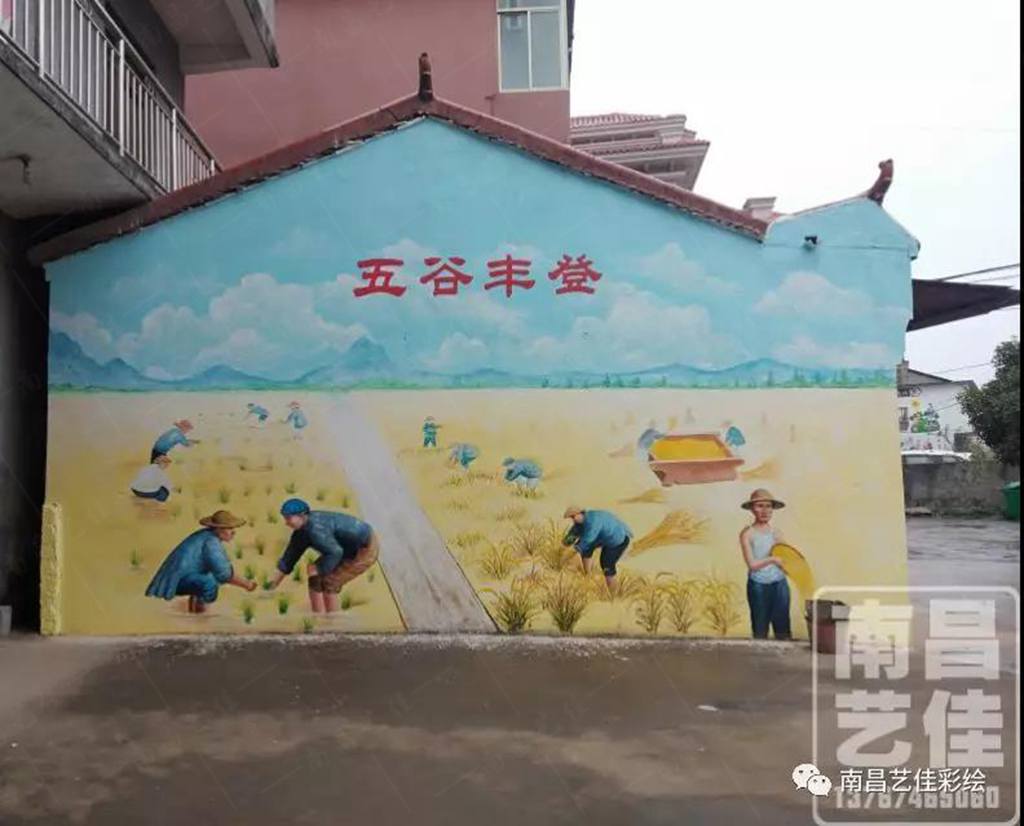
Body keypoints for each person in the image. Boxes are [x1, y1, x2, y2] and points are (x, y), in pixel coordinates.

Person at [267, 498, 379, 613]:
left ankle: (332, 617)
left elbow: (336, 552)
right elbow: (289, 558)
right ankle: (319, 614)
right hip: (345, 546)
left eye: (288, 518)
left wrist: (319, 569)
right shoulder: (301, 532)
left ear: (302, 515)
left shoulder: (316, 530)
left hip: (364, 546)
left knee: (330, 582)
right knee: (316, 575)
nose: (286, 523)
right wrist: (272, 585)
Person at [145, 510, 256, 613]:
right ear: (218, 529)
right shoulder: (211, 542)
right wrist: (247, 585)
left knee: (205, 580)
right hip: (175, 581)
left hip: (176, 578)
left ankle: (195, 611)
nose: (233, 532)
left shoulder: (205, 536)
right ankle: (200, 616)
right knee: (209, 583)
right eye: (229, 528)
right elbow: (224, 574)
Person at [739, 488, 792, 640]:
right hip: (758, 586)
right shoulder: (747, 534)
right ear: (752, 509)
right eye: (760, 506)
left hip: (779, 584)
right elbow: (752, 565)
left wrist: (788, 566)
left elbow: (786, 558)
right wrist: (772, 559)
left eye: (768, 506)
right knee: (760, 628)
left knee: (783, 628)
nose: (765, 510)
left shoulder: (776, 533)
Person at [561, 505, 632, 596]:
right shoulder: (581, 522)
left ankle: (614, 593)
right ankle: (588, 575)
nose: (573, 520)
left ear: (581, 513)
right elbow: (573, 533)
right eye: (571, 518)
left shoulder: (593, 521)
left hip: (618, 540)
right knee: (587, 549)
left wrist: (570, 553)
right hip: (605, 538)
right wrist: (565, 542)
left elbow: (588, 539)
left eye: (574, 516)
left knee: (606, 564)